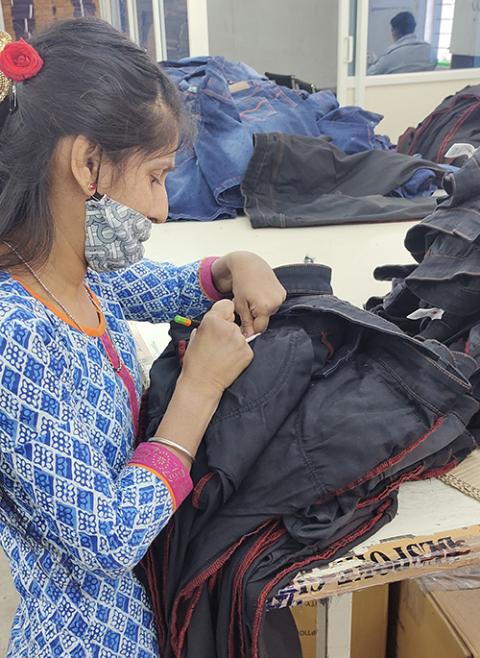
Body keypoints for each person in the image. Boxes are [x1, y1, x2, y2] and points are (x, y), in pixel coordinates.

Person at [0, 18, 286, 657]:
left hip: (145, 614)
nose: (161, 209)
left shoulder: (67, 278)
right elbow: (107, 537)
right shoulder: (14, 335)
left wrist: (226, 267)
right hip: (89, 640)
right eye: (156, 177)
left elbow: (149, 284)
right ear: (88, 164)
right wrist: (198, 391)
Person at [368, 11, 437, 75]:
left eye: (392, 30)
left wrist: (373, 62)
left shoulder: (392, 54)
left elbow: (370, 73)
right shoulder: (430, 50)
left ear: (395, 31)